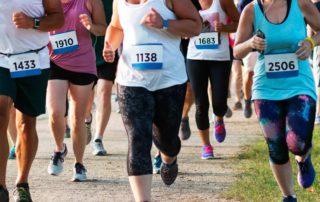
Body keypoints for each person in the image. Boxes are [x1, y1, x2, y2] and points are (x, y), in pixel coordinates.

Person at [103, 0, 201, 201]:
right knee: (138, 138)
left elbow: (195, 26)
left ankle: (169, 158)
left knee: (167, 141)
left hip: (170, 80)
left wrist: (165, 23)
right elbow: (116, 26)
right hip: (131, 80)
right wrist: (110, 46)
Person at [234, 0, 320, 201]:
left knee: (296, 142)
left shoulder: (301, 5)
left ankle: (303, 157)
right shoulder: (251, 10)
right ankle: (288, 196)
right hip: (266, 90)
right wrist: (250, 43)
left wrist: (310, 42)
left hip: (300, 86)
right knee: (276, 146)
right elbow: (237, 50)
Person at [0, 0, 64, 201]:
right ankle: (0, 186)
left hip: (33, 60)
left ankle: (22, 183)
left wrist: (33, 22)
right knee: (0, 114)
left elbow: (58, 18)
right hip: (1, 59)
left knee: (26, 124)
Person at [46, 0, 106, 182]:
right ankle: (59, 149)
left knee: (77, 118)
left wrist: (91, 26)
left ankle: (79, 164)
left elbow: (103, 28)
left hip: (82, 64)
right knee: (56, 113)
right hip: (54, 61)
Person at [187, 0, 239, 159]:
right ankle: (206, 146)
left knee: (219, 102)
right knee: (201, 104)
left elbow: (239, 23)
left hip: (220, 58)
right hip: (195, 57)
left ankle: (219, 118)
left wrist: (224, 28)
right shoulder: (187, 3)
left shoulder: (223, 1)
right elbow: (180, 25)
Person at [87, 0, 119, 156]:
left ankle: (98, 139)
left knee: (105, 92)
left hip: (108, 52)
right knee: (86, 98)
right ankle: (87, 119)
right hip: (84, 53)